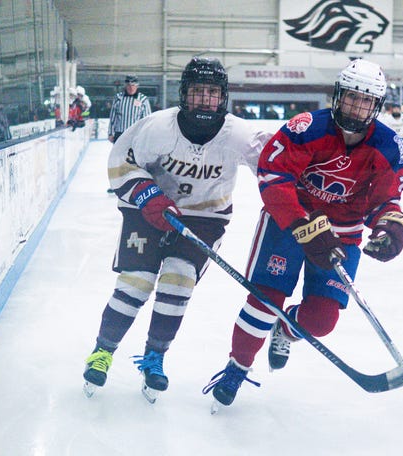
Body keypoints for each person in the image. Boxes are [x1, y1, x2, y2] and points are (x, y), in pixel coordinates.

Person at [203, 59, 403, 408]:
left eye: (365, 101)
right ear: (338, 95)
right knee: (266, 300)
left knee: (322, 320)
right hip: (288, 225)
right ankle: (237, 367)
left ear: (375, 106)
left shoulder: (389, 145)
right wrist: (301, 225)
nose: (355, 106)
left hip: (343, 235)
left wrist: (389, 225)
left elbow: (385, 198)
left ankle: (285, 331)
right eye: (350, 97)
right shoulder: (306, 128)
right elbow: (273, 177)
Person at [82, 57, 272, 401]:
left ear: (223, 97)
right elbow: (120, 161)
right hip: (148, 211)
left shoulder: (241, 135)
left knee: (179, 281)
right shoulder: (157, 128)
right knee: (136, 282)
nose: (204, 100)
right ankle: (103, 351)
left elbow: (278, 166)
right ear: (184, 94)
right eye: (198, 92)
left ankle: (155, 357)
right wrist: (147, 194)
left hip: (205, 218)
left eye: (212, 93)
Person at [107, 75, 151, 144]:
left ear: (137, 86)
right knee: (119, 154)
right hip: (120, 134)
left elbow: (147, 119)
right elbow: (113, 117)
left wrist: (146, 135)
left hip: (136, 135)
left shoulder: (143, 99)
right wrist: (110, 133)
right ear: (125, 86)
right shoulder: (118, 98)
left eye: (133, 85)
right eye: (128, 85)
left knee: (134, 154)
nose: (131, 88)